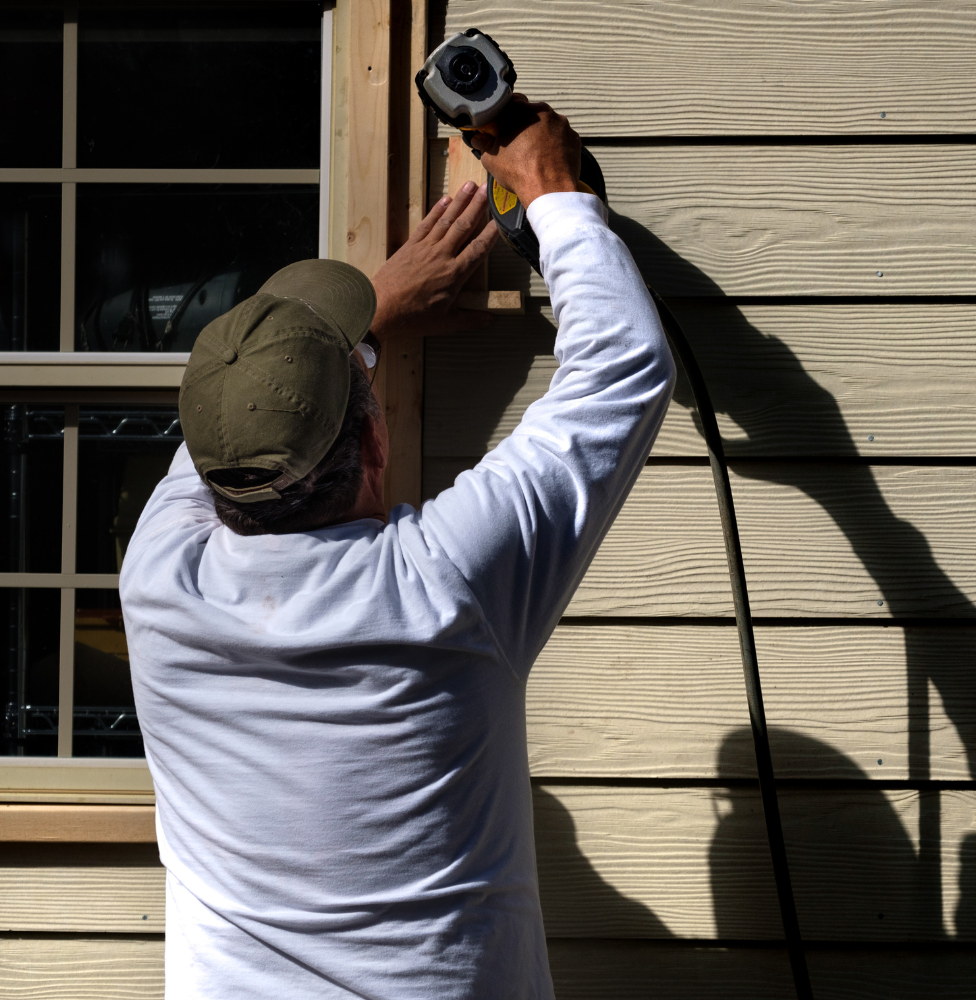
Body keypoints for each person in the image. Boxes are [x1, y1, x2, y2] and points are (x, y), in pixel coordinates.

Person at [120, 99, 674, 999]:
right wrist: (554, 193)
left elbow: (237, 426)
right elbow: (624, 368)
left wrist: (370, 314)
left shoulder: (155, 575)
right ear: (376, 446)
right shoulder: (443, 585)